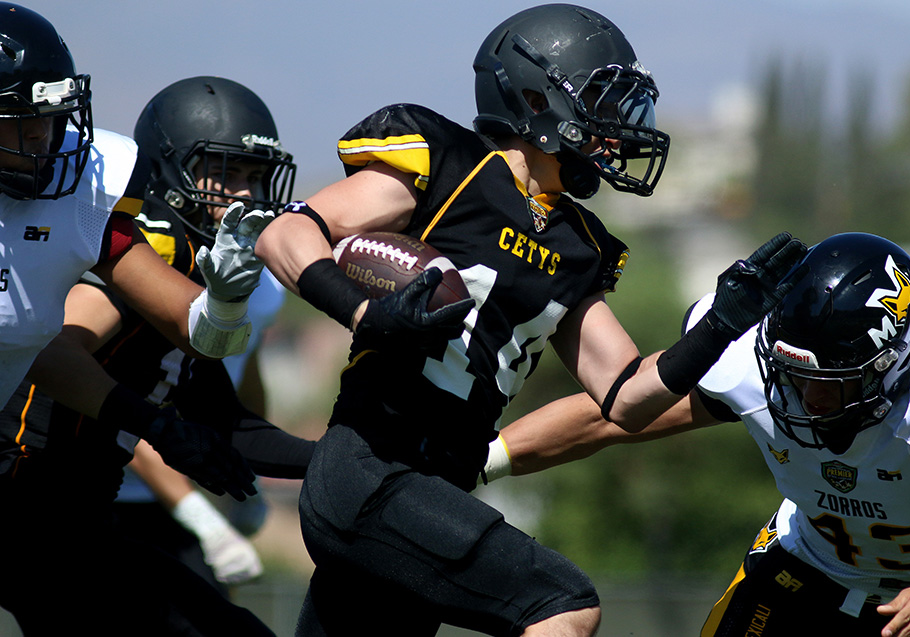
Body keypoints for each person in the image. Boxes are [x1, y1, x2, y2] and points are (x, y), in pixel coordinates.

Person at [254, 4, 806, 635]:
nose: (620, 127)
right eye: (604, 102)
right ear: (539, 99)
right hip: (371, 470)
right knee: (562, 604)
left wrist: (718, 329)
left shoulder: (581, 246)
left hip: (438, 491)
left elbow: (626, 397)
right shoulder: (448, 163)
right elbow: (287, 232)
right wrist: (362, 314)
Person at [492, 232, 910, 637]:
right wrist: (482, 460)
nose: (808, 397)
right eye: (794, 374)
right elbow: (604, 418)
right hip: (806, 568)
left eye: (830, 379)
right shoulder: (757, 372)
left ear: (890, 363)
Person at [0, 2, 259, 500]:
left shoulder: (77, 203)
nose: (42, 134)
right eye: (23, 117)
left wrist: (225, 301)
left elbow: (200, 334)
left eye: (53, 116)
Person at [111, 75, 298, 593]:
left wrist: (254, 476)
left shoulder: (250, 280)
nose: (245, 192)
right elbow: (131, 397)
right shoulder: (144, 261)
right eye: (226, 173)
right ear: (170, 172)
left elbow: (238, 387)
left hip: (173, 479)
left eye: (254, 175)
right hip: (91, 488)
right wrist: (203, 520)